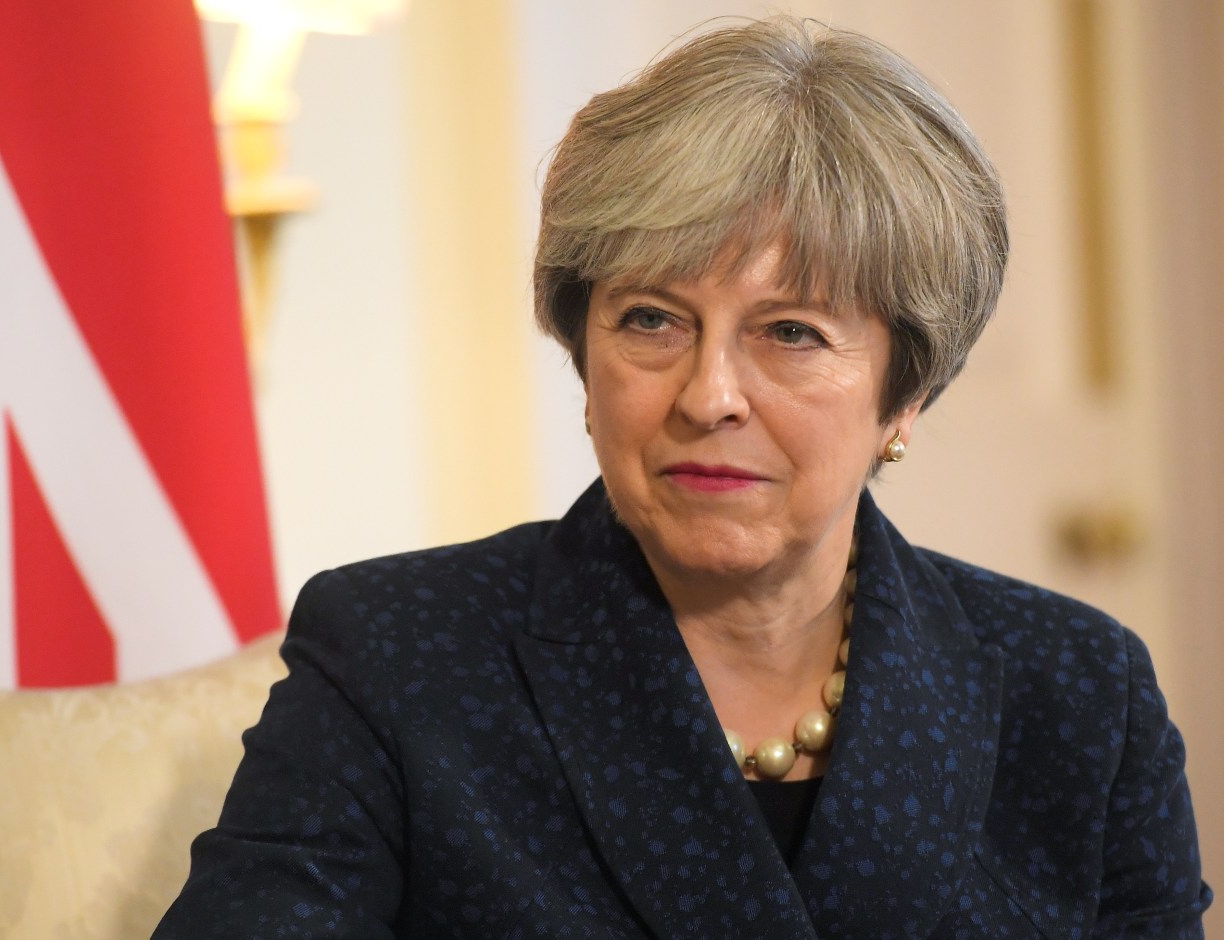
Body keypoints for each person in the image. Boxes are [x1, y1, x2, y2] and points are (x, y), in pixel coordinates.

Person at [154, 16, 1210, 938]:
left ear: (906, 394)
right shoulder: (395, 656)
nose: (708, 394)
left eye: (789, 332)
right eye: (651, 320)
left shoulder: (1079, 694)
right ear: (584, 354)